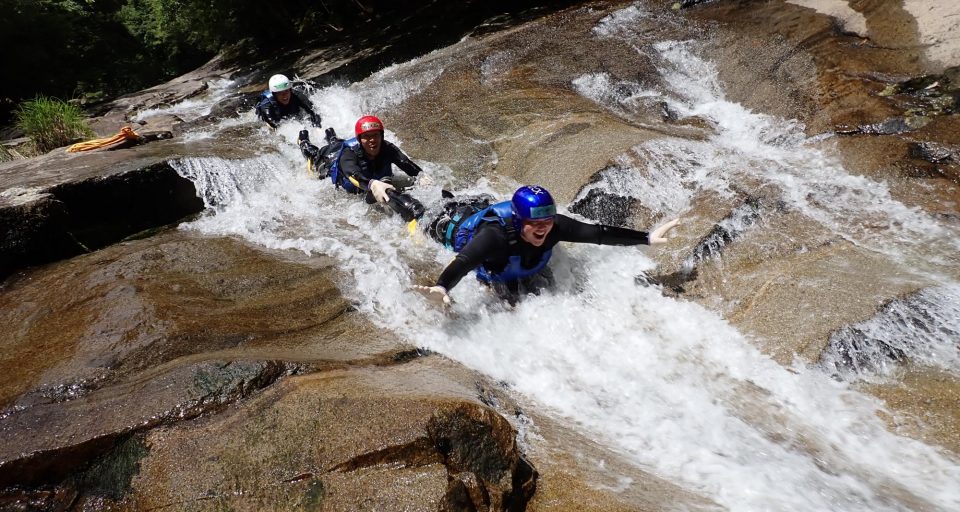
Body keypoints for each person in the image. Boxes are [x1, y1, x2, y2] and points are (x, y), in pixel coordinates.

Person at [415, 185, 679, 305]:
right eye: (534, 222)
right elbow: (463, 263)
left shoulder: (554, 227)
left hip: (521, 265)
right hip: (453, 228)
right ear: (519, 221)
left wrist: (645, 237)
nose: (542, 228)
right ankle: (388, 193)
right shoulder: (494, 237)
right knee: (420, 215)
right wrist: (441, 286)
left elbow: (598, 233)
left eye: (547, 220)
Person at [299, 115, 426, 221]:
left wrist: (422, 176)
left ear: (381, 136)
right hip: (329, 159)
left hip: (340, 146)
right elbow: (353, 174)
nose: (372, 140)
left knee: (336, 142)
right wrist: (372, 184)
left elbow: (406, 163)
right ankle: (303, 140)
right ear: (359, 139)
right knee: (311, 152)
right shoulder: (348, 154)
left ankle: (331, 135)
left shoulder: (387, 148)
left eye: (375, 135)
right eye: (367, 136)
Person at [254, 74, 322, 129]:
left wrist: (317, 127)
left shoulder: (297, 95)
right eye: (280, 93)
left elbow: (314, 111)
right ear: (274, 94)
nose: (285, 95)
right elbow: (273, 126)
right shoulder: (267, 105)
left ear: (290, 90)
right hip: (275, 114)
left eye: (286, 91)